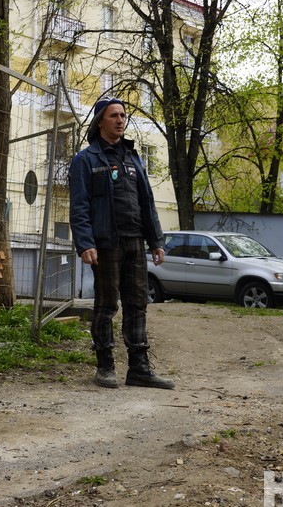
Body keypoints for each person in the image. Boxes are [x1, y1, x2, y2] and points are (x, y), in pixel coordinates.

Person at [69, 96, 175, 390]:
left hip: (135, 242)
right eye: (114, 115)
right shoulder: (86, 159)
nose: (120, 120)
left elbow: (147, 201)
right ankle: (105, 366)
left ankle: (139, 368)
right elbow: (79, 206)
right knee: (106, 305)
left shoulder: (133, 157)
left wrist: (156, 241)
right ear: (100, 120)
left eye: (123, 116)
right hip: (105, 244)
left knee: (137, 304)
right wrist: (85, 243)